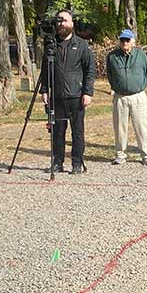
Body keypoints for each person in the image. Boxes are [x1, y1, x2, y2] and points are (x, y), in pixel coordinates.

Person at [41, 10, 96, 175]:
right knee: (57, 131)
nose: (61, 24)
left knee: (77, 131)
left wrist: (88, 92)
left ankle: (77, 163)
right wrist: (45, 89)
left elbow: (90, 70)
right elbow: (45, 69)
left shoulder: (81, 45)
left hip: (76, 95)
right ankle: (57, 162)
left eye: (65, 20)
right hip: (56, 95)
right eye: (59, 21)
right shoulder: (51, 45)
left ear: (72, 23)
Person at [107, 29, 147, 165]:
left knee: (142, 126)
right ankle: (120, 154)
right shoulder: (112, 56)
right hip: (120, 97)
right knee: (120, 127)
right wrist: (117, 87)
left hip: (138, 96)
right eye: (122, 40)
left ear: (133, 41)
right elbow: (110, 75)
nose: (124, 42)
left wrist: (140, 86)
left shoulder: (141, 55)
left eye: (127, 40)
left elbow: (146, 72)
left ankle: (146, 154)